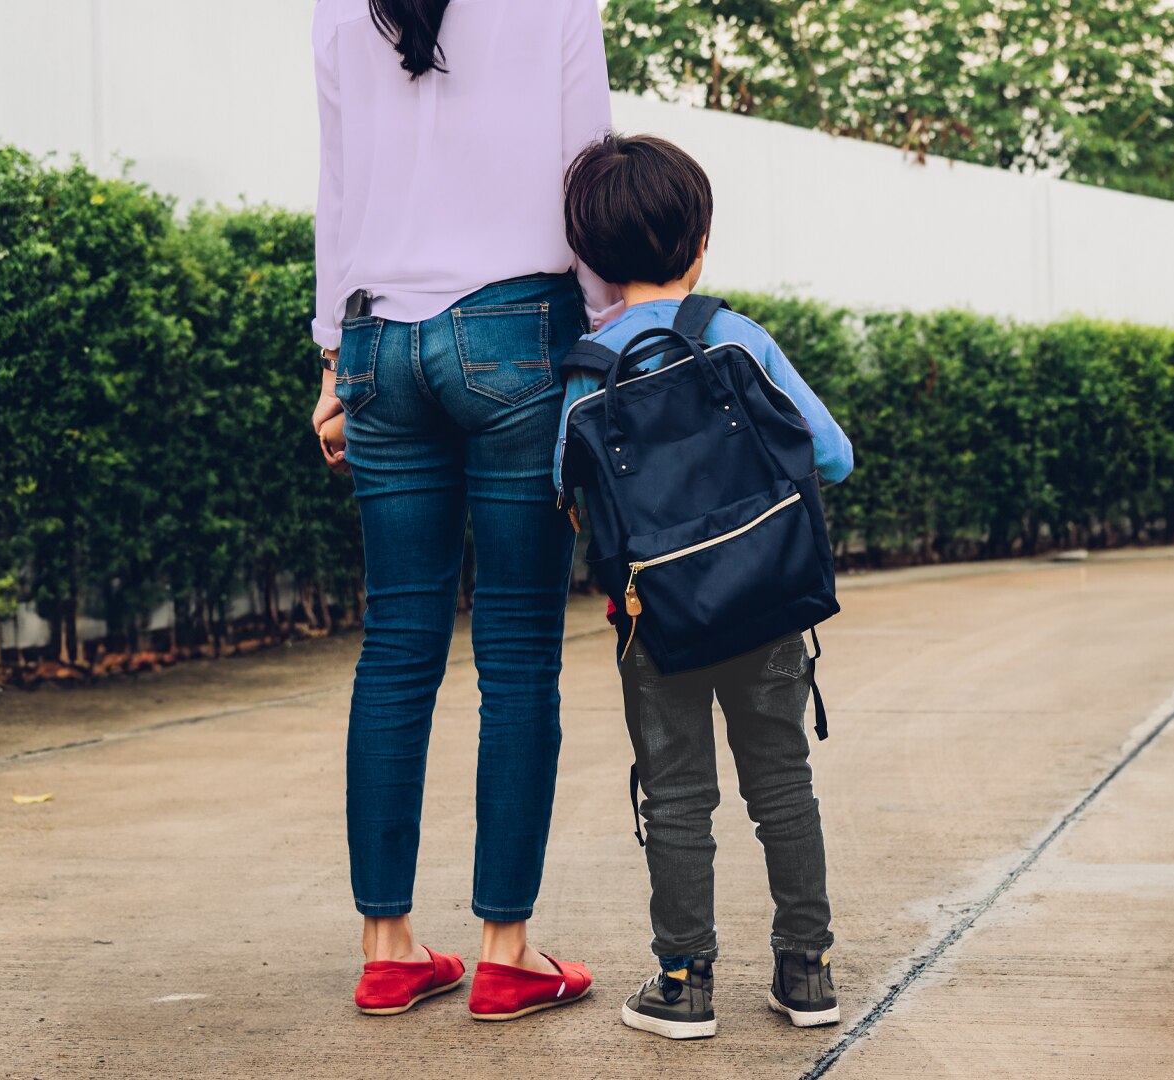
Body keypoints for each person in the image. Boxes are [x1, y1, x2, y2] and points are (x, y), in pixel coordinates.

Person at [308, 0, 618, 1020]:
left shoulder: (342, 5)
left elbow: (339, 182)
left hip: (379, 344)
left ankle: (388, 947)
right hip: (515, 331)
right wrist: (611, 344)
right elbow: (591, 175)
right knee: (520, 650)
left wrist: (329, 359)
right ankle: (505, 951)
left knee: (396, 640)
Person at [557, 134, 853, 1040]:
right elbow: (831, 454)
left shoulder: (582, 376)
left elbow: (570, 507)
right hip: (766, 610)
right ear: (702, 240)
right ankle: (807, 973)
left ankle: (682, 985)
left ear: (589, 262)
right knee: (783, 786)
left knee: (677, 800)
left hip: (659, 628)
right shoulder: (736, 337)